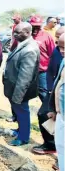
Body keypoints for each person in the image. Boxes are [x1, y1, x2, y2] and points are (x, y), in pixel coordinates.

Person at [3, 22, 40, 146]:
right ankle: (20, 130)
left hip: (20, 90)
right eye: (15, 32)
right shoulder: (22, 44)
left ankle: (23, 137)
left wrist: (18, 96)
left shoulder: (30, 49)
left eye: (18, 32)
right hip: (14, 87)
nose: (15, 34)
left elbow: (25, 77)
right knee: (19, 112)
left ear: (28, 33)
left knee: (22, 112)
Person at [32, 27, 64, 154]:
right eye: (57, 38)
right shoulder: (57, 51)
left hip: (60, 94)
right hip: (53, 91)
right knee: (43, 114)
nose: (57, 41)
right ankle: (51, 145)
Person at [48, 34, 64, 171]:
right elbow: (58, 85)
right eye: (60, 47)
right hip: (61, 112)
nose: (62, 51)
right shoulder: (63, 61)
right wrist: (54, 109)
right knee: (60, 145)